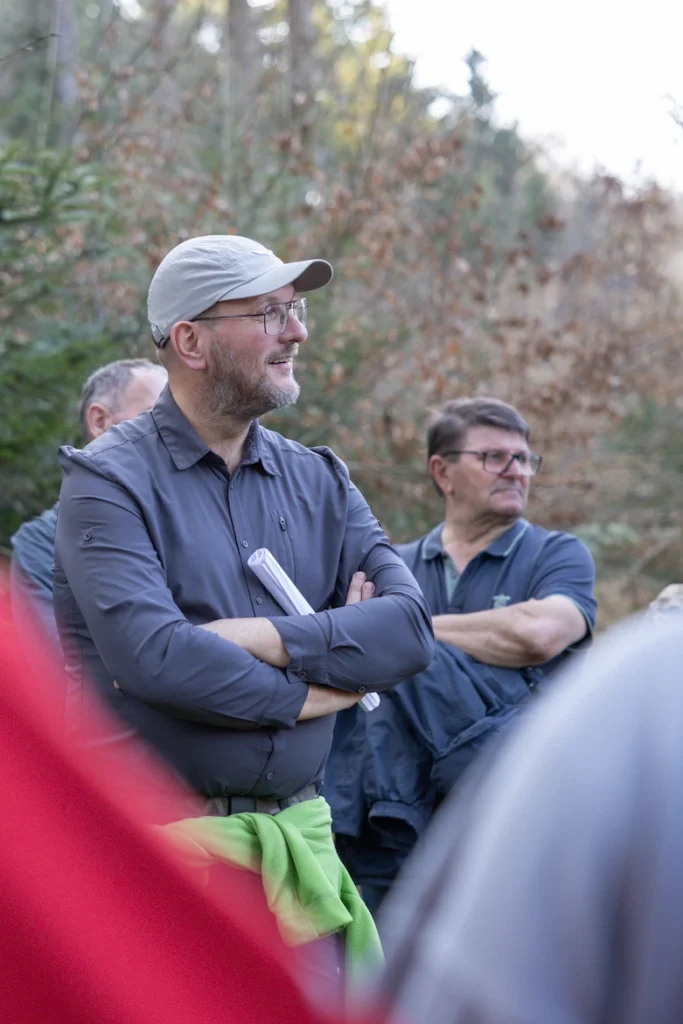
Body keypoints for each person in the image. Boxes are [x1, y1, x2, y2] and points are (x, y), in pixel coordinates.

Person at [52, 234, 434, 991]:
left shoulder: (318, 478)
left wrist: (261, 637)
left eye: (292, 309)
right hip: (157, 872)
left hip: (304, 864)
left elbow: (409, 630)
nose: (296, 330)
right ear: (189, 340)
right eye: (268, 313)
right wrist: (323, 691)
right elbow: (156, 658)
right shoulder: (105, 485)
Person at [327, 397, 597, 915]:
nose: (516, 471)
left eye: (524, 459)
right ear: (442, 471)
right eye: (495, 457)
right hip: (403, 834)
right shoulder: (394, 564)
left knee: (403, 662)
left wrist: (406, 627)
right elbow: (351, 653)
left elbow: (538, 634)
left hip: (510, 812)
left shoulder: (558, 554)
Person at [377, 612, 683, 1024]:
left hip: (473, 796)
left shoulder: (645, 685)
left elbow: (541, 633)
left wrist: (402, 626)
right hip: (390, 810)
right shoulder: (645, 688)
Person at [10, 358, 168, 648]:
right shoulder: (44, 543)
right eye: (157, 416)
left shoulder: (193, 516)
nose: (176, 432)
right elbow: (54, 665)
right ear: (99, 421)